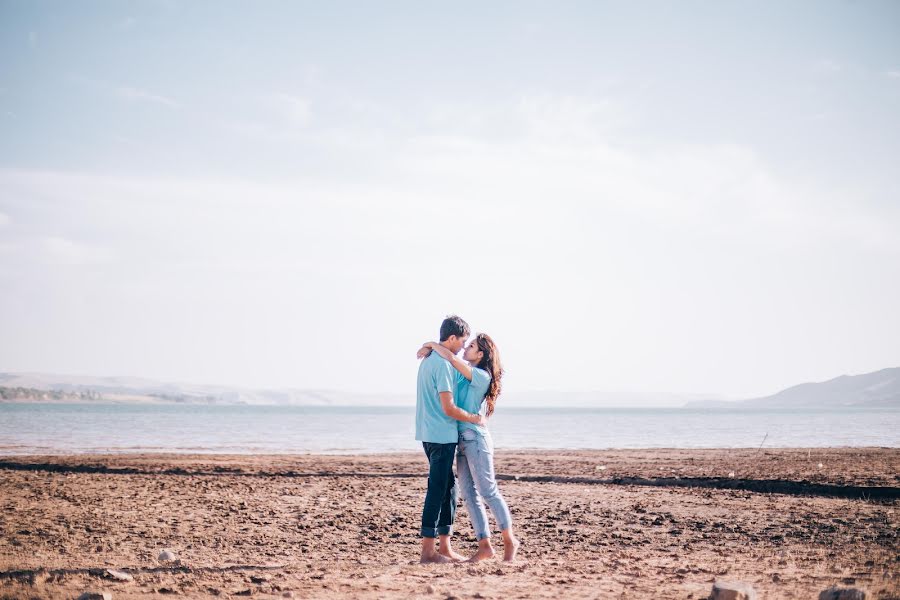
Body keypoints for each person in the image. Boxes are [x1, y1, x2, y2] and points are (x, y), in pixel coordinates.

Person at [418, 333, 520, 562]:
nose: (466, 347)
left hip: (476, 438)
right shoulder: (464, 376)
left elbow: (452, 360)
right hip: (461, 440)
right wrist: (429, 349)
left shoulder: (481, 376)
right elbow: (448, 366)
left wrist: (432, 344)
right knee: (469, 495)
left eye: (471, 345)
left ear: (481, 354)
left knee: (488, 491)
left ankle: (510, 540)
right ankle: (485, 546)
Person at [415, 315, 487, 564]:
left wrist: (430, 345)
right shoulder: (442, 365)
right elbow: (448, 407)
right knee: (438, 490)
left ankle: (444, 546)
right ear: (453, 338)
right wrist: (474, 418)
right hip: (442, 435)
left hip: (428, 434)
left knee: (448, 488)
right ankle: (428, 552)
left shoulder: (428, 360)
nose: (463, 346)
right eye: (463, 340)